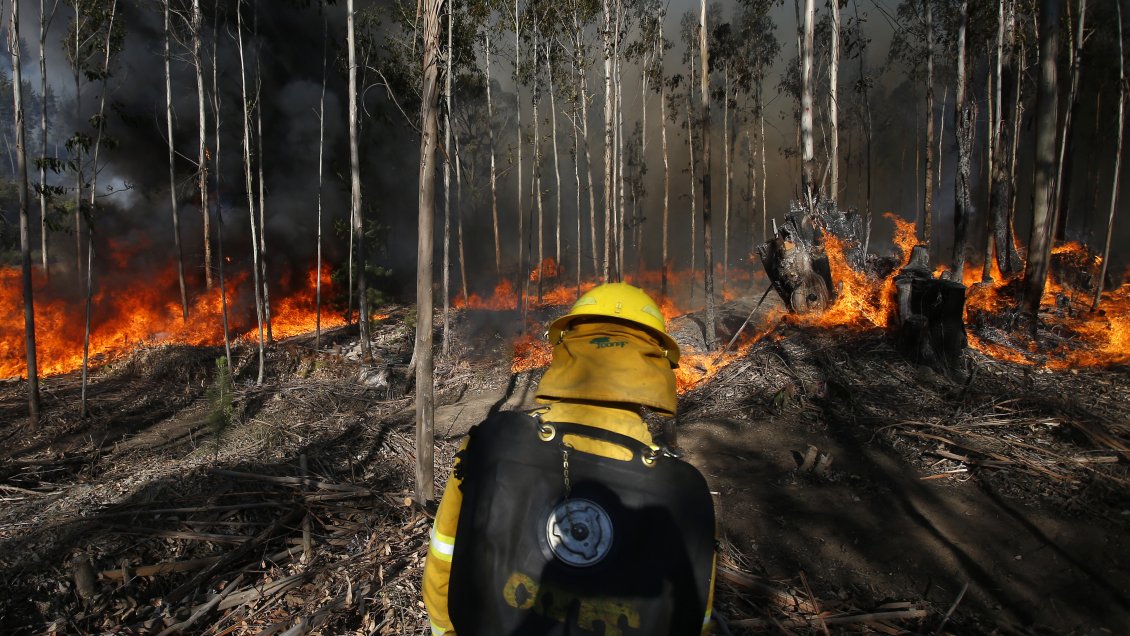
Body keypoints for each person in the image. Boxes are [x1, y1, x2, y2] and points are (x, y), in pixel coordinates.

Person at [423, 282, 717, 636]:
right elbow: (693, 617)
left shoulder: (493, 446)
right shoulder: (680, 491)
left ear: (565, 345)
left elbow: (445, 561)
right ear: (657, 364)